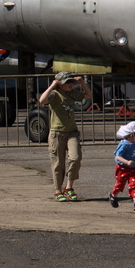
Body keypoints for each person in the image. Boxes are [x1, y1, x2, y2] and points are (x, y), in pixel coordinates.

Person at [39, 71, 91, 202]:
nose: (70, 85)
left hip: (71, 132)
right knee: (58, 163)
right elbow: (42, 100)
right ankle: (58, 190)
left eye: (71, 82)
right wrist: (52, 85)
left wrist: (81, 82)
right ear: (60, 83)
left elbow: (89, 96)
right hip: (57, 133)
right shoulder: (55, 94)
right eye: (67, 82)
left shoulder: (72, 94)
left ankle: (69, 187)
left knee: (76, 158)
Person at [109, 121, 135, 211]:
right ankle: (113, 195)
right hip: (122, 168)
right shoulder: (124, 145)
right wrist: (126, 162)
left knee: (134, 184)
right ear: (131, 135)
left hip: (133, 168)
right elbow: (118, 156)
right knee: (120, 184)